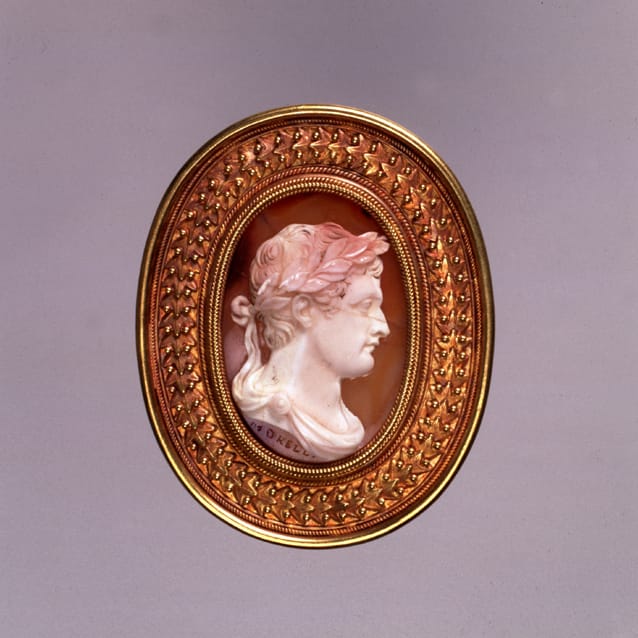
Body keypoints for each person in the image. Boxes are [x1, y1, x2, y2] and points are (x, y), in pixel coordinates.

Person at [230, 222, 390, 462]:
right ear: (304, 310)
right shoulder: (262, 414)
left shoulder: (350, 428)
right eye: (365, 306)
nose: (383, 327)